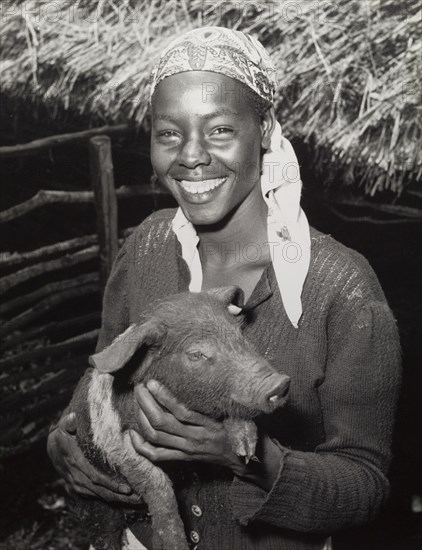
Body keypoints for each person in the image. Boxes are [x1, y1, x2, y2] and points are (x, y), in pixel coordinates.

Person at [47, 27, 401, 550]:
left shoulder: (340, 289)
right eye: (169, 134)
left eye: (218, 131)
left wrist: (249, 457)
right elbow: (106, 372)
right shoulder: (146, 248)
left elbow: (366, 485)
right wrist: (64, 439)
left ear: (263, 129)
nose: (190, 156)